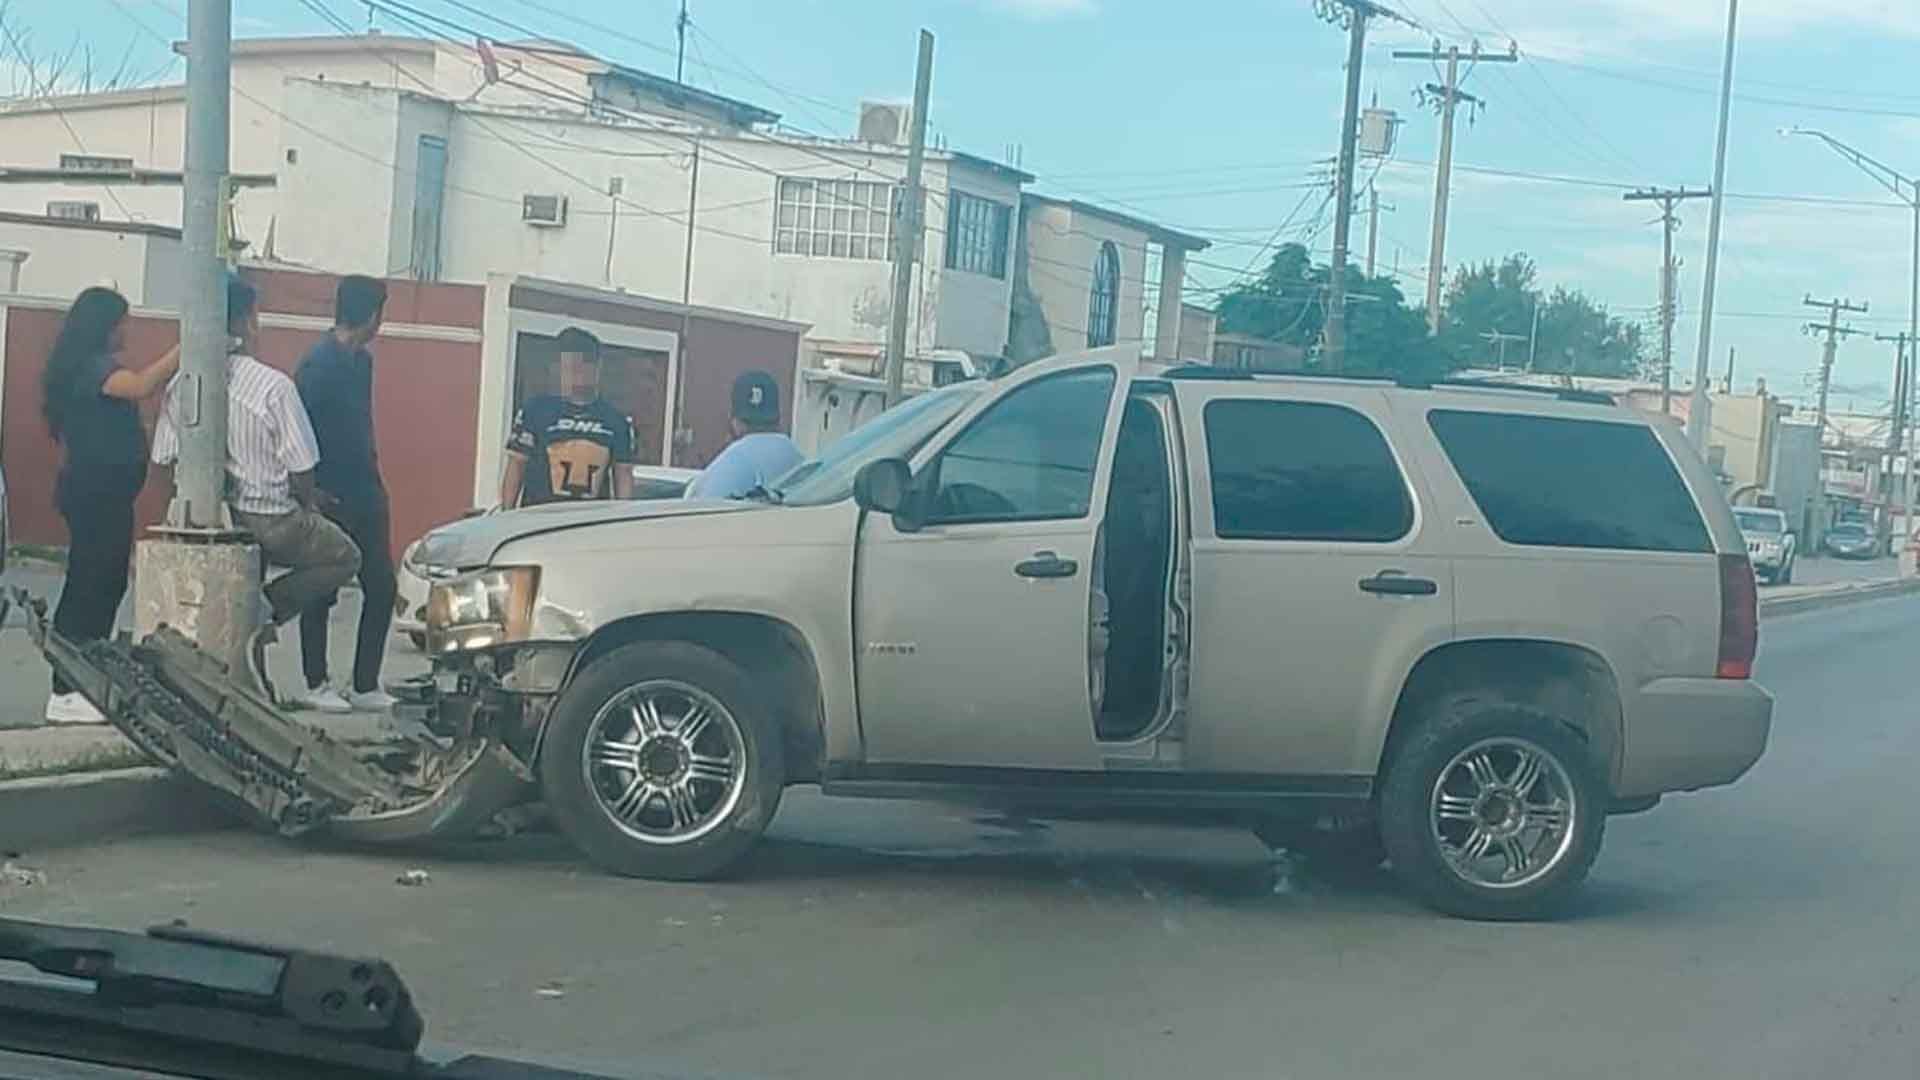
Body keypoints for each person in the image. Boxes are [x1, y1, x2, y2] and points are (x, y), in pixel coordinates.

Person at [152, 275, 360, 704]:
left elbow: (163, 458)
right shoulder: (271, 386)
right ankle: (265, 609)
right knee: (345, 557)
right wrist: (309, 505)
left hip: (209, 518)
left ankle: (252, 681)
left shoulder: (182, 386)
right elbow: (302, 466)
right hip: (271, 517)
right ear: (248, 320)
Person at [38, 287, 180, 725]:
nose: (127, 330)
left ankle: (88, 675)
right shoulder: (91, 367)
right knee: (89, 582)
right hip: (93, 493)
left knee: (109, 582)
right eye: (122, 321)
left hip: (110, 494)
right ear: (103, 324)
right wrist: (189, 346)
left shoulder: (95, 367)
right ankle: (64, 689)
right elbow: (140, 386)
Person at [291, 275, 397, 714]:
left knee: (382, 586)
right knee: (322, 588)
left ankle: (365, 683)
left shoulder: (362, 363)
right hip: (330, 495)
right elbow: (298, 430)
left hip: (367, 491)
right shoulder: (317, 366)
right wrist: (310, 493)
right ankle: (315, 682)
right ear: (371, 315)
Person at [498, 328, 638, 507]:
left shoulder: (616, 421)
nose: (577, 373)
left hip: (587, 524)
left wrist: (620, 521)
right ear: (561, 367)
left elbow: (623, 475)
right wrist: (507, 514)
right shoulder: (535, 411)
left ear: (597, 367)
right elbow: (516, 465)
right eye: (571, 365)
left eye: (585, 364)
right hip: (538, 520)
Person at [685, 370, 803, 500]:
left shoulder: (730, 463)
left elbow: (701, 511)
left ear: (735, 421)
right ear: (779, 417)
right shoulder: (798, 459)